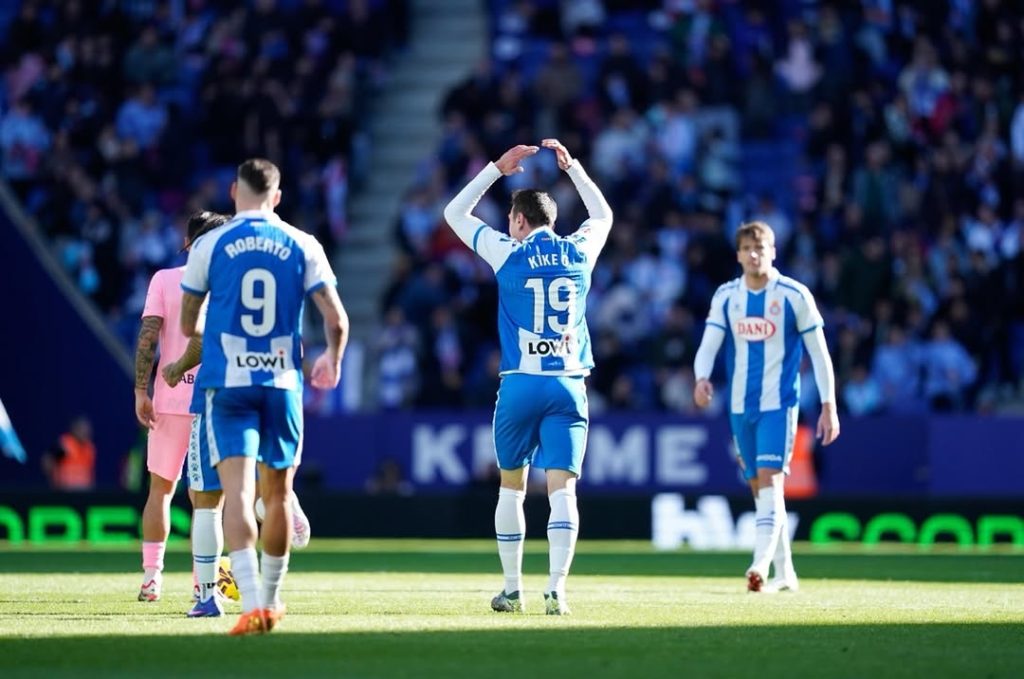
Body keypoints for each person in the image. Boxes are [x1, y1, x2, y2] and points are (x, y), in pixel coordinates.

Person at [443, 139, 613, 615]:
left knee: (511, 488)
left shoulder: (507, 252)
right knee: (563, 491)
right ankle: (557, 589)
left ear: (518, 220)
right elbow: (603, 217)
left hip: (520, 383)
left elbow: (455, 214)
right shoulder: (579, 251)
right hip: (568, 384)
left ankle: (513, 588)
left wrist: (496, 169)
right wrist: (575, 169)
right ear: (553, 222)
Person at [180, 158, 348, 635]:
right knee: (278, 496)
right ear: (277, 196)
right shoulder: (303, 243)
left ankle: (250, 603)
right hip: (280, 383)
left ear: (234, 191)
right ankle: (272, 601)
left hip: (228, 385)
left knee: (236, 494)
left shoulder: (209, 244)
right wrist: (331, 359)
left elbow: (190, 322)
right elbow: (336, 320)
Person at [692, 221, 839, 593]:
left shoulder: (793, 294)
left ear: (773, 251)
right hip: (740, 406)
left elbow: (819, 354)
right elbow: (709, 344)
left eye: (761, 247)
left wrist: (828, 403)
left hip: (780, 404)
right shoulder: (727, 296)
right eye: (747, 248)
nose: (754, 254)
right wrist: (701, 378)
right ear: (738, 254)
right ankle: (785, 572)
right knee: (760, 489)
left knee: (772, 481)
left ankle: (758, 565)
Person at [134, 210, 230, 603]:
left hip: (169, 401)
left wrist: (141, 390)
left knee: (160, 491)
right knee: (207, 500)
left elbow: (147, 337)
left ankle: (151, 578)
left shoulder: (164, 279)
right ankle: (203, 583)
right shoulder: (226, 282)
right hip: (209, 400)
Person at [42, 416, 96, 490]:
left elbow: (89, 473)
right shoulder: (66, 445)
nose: (85, 432)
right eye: (82, 429)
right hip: (64, 492)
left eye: (87, 430)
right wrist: (54, 483)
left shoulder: (89, 449)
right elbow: (47, 461)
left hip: (83, 493)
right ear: (74, 429)